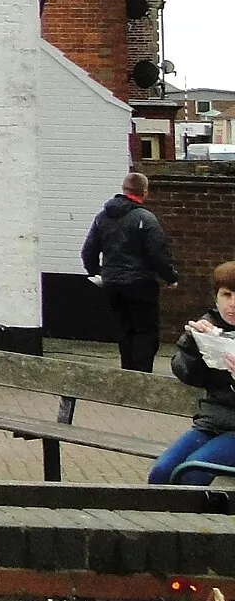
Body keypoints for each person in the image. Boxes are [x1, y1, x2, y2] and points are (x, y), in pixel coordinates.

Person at [149, 261, 235, 484]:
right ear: (216, 297)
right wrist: (193, 344)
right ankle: (160, 520)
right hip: (211, 423)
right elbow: (188, 375)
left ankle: (194, 519)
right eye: (227, 295)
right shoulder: (209, 325)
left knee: (193, 472)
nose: (232, 304)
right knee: (161, 472)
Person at [81, 171, 177, 371]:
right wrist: (170, 277)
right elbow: (157, 253)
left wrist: (97, 272)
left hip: (112, 284)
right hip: (141, 284)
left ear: (124, 190)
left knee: (124, 331)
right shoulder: (145, 219)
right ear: (144, 192)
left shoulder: (102, 217)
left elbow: (88, 251)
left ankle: (127, 375)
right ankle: (141, 379)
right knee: (144, 332)